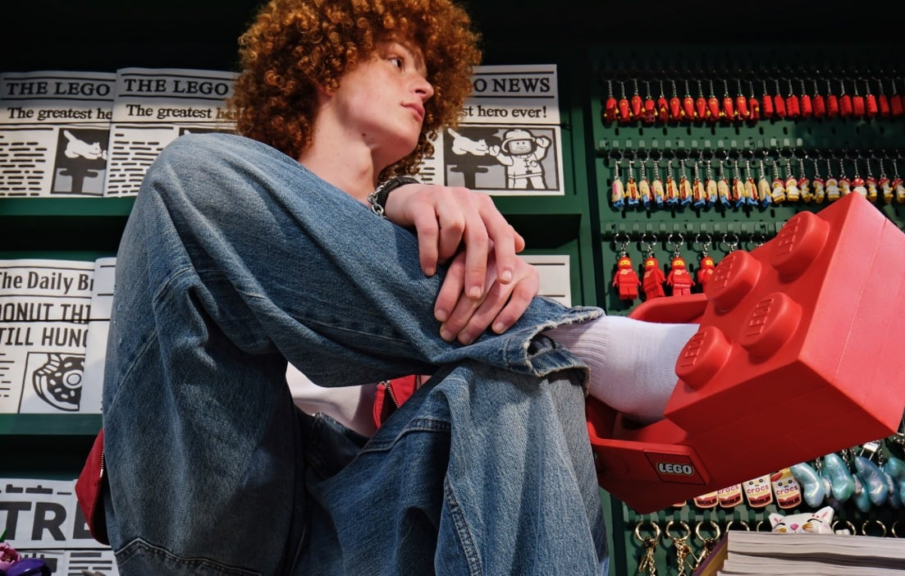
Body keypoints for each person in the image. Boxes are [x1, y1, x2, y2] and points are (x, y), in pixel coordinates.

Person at [100, 0, 696, 574]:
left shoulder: (441, 242)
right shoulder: (223, 201)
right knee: (188, 174)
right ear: (326, 67)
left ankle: (545, 342)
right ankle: (577, 340)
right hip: (219, 525)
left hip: (369, 527)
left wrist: (398, 212)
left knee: (521, 378)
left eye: (428, 72)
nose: (426, 87)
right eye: (396, 61)